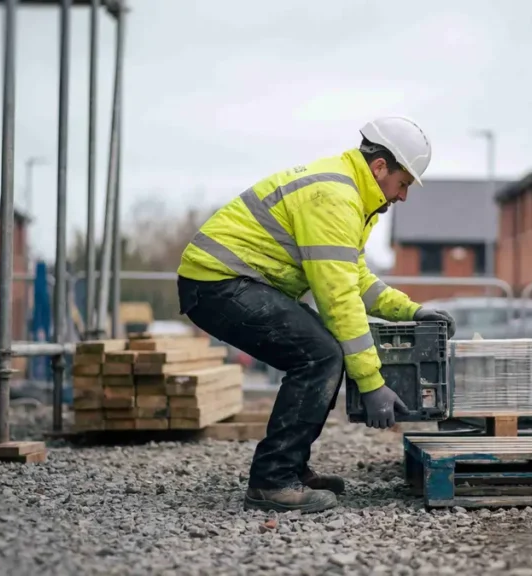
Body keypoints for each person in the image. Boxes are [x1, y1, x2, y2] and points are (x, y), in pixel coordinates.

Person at [176, 116, 456, 513]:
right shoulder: (334, 197)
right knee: (320, 353)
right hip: (217, 283)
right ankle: (272, 481)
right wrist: (372, 383)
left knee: (320, 349)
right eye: (403, 183)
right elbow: (340, 298)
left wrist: (411, 311)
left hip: (232, 282)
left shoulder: (349, 195)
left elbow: (354, 278)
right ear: (380, 167)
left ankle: (289, 467)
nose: (403, 196)